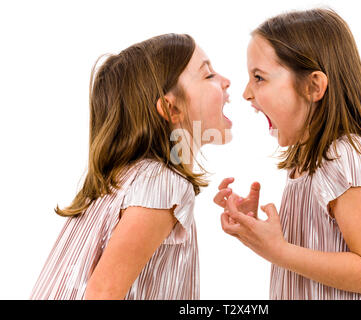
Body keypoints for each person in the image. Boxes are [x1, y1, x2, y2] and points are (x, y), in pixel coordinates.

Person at [214, 8, 361, 299]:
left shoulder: (345, 156)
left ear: (313, 86)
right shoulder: (307, 160)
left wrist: (280, 251)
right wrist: (260, 234)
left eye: (259, 78)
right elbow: (319, 252)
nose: (247, 93)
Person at [31, 33, 232, 299]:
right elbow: (104, 292)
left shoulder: (130, 178)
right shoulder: (164, 184)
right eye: (208, 75)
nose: (226, 81)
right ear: (172, 109)